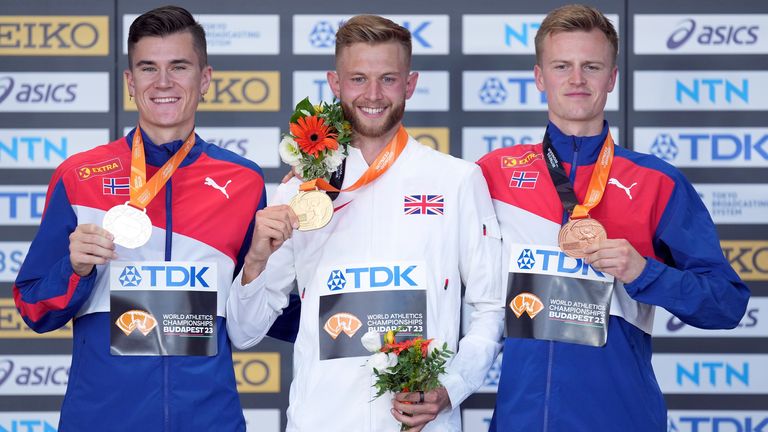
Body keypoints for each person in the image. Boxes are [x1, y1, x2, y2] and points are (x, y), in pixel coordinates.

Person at [12, 6, 287, 430]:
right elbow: (33, 309)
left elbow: (246, 324)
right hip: (102, 419)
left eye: (179, 67)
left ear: (205, 79)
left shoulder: (244, 181)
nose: (163, 83)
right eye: (148, 68)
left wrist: (256, 270)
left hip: (208, 418)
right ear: (130, 82)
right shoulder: (79, 177)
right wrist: (75, 268)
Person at [476, 4, 750, 431]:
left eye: (591, 66)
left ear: (612, 78)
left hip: (622, 418)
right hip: (521, 420)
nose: (576, 79)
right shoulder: (493, 174)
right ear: (539, 77)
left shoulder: (657, 182)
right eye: (562, 65)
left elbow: (728, 305)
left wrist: (645, 271)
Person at [226, 14, 505, 432]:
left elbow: (490, 306)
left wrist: (452, 385)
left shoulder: (457, 180)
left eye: (388, 79)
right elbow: (245, 333)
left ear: (409, 84)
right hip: (321, 422)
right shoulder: (299, 190)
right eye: (357, 79)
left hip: (422, 424)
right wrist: (255, 264)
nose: (373, 94)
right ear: (335, 84)